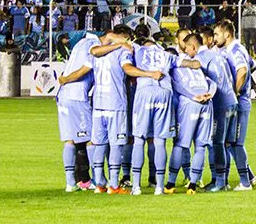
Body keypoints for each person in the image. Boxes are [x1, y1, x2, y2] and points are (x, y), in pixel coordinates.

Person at [89, 25, 162, 194]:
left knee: (99, 143)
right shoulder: (123, 51)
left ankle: (99, 183)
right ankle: (114, 184)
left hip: (99, 103)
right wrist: (149, 74)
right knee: (117, 144)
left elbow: (95, 51)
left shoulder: (97, 50)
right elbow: (127, 68)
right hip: (115, 103)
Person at [55, 27, 128, 192]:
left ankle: (70, 183)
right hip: (77, 95)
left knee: (70, 140)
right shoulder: (93, 45)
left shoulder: (81, 42)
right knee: (92, 139)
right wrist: (66, 79)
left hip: (63, 97)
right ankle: (97, 180)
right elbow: (82, 71)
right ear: (108, 36)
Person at [130, 38, 199, 195]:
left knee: (139, 140)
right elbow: (191, 64)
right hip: (165, 93)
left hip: (144, 91)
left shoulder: (138, 50)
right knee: (160, 141)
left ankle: (136, 186)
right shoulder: (166, 54)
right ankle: (160, 186)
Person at [165, 32, 216, 195]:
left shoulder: (174, 66)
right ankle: (193, 184)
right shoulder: (196, 63)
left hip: (190, 104)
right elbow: (211, 82)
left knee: (180, 144)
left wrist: (192, 96)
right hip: (207, 104)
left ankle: (170, 183)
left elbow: (176, 85)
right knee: (200, 145)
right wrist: (210, 94)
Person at [214, 21, 255, 191]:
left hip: (240, 103)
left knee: (236, 143)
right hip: (238, 101)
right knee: (230, 143)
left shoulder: (235, 50)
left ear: (227, 34)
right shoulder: (233, 49)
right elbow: (252, 66)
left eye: (217, 34)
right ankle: (250, 176)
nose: (215, 38)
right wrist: (254, 85)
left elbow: (243, 70)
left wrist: (236, 92)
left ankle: (245, 183)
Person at [196, 26, 237, 191]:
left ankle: (220, 182)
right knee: (225, 143)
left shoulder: (202, 57)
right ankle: (222, 180)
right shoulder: (219, 55)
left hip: (221, 103)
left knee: (217, 143)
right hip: (232, 101)